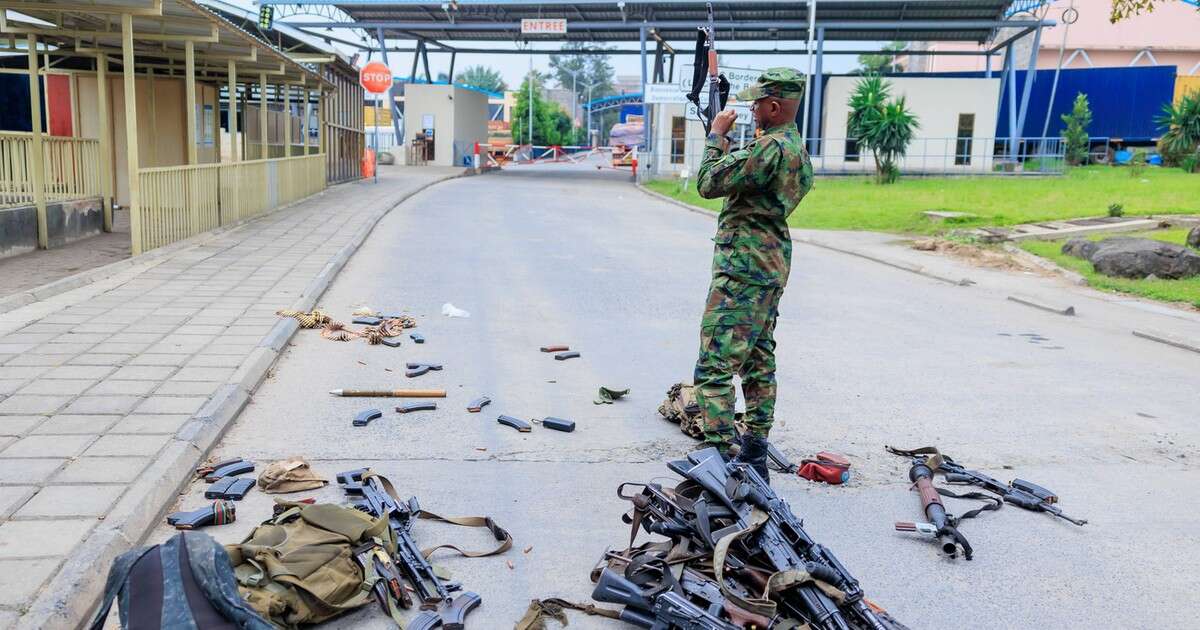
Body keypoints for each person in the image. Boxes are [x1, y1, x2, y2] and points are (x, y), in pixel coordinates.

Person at [692, 68, 814, 482]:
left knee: (715, 363)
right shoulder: (795, 148)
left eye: (757, 102)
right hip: (770, 264)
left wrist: (715, 135)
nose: (751, 108)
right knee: (759, 360)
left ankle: (720, 461)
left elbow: (708, 183)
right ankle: (756, 451)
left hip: (743, 270)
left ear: (775, 106)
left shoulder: (768, 151)